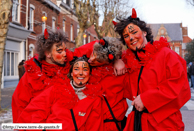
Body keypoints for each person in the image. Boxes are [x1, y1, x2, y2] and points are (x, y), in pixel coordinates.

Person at [114, 8, 191, 131]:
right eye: (127, 36)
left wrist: (147, 99)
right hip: (137, 124)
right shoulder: (127, 61)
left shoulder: (166, 54)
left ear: (144, 32)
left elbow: (180, 84)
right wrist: (115, 59)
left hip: (164, 125)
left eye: (134, 32)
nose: (132, 38)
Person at [16, 57, 103, 131]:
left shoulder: (94, 99)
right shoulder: (56, 90)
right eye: (76, 69)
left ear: (90, 74)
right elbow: (36, 112)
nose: (80, 73)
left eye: (85, 70)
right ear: (72, 73)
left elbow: (94, 127)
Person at [12, 29, 72, 123]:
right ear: (47, 53)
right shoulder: (32, 75)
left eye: (65, 50)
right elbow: (19, 106)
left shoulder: (69, 70)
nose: (65, 54)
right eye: (60, 51)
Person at [73, 37, 130, 131]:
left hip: (110, 126)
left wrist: (118, 60)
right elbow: (71, 55)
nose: (91, 59)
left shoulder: (120, 73)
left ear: (107, 63)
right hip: (87, 123)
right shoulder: (86, 62)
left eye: (98, 60)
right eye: (93, 54)